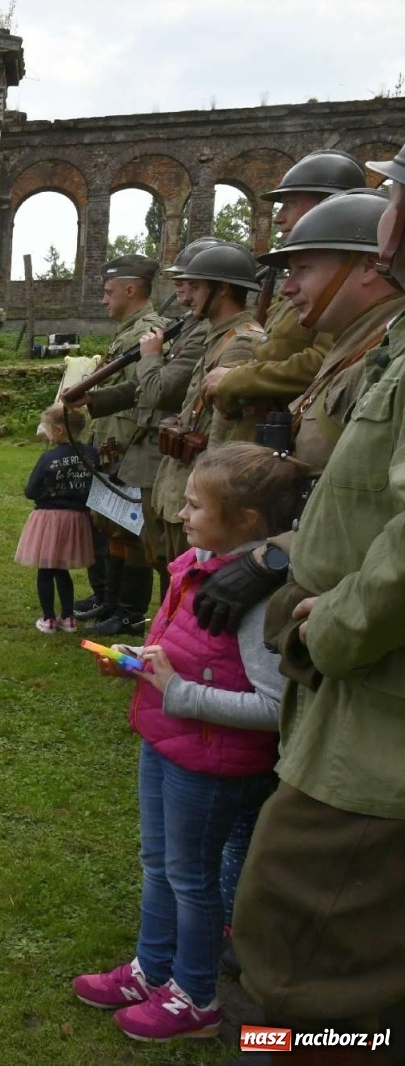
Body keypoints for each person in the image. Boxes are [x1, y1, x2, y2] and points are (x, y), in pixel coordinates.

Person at [225, 148, 405, 1055]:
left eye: (301, 260)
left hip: (376, 710)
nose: (287, 278)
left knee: (298, 962)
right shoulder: (372, 348)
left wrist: (328, 622)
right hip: (350, 690)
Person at [72, 443, 300, 1043]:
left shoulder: (257, 599)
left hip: (210, 761)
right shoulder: (198, 564)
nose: (182, 513)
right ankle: (152, 970)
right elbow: (189, 657)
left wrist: (176, 692)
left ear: (246, 521)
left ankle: (195, 996)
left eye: (196, 505)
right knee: (159, 865)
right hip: (167, 741)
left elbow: (277, 707)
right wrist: (141, 664)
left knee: (191, 878)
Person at [203, 149, 368, 416]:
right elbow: (271, 349)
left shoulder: (342, 282)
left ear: (327, 205)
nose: (278, 217)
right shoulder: (308, 281)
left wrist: (239, 379)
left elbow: (323, 360)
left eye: (289, 204)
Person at [141, 243, 266, 575]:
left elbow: (225, 436)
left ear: (222, 289)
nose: (186, 295)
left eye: (196, 286)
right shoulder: (218, 337)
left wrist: (205, 503)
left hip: (205, 492)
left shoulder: (241, 342)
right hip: (183, 482)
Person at [66, 256, 173, 637]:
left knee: (133, 535)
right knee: (110, 528)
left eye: (109, 292)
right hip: (113, 443)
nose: (103, 300)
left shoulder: (150, 333)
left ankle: (129, 614)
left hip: (131, 445)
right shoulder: (131, 331)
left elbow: (146, 394)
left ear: (131, 289)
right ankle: (109, 601)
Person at [262, 189, 404, 474]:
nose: (287, 288)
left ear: (369, 267)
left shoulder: (386, 355)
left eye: (303, 269)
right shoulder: (352, 347)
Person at [16, 403, 96, 633]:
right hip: (76, 518)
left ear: (59, 430)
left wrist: (49, 494)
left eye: (48, 427)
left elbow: (31, 489)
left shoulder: (49, 457)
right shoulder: (90, 454)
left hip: (49, 519)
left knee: (46, 568)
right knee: (62, 568)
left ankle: (49, 619)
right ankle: (69, 618)